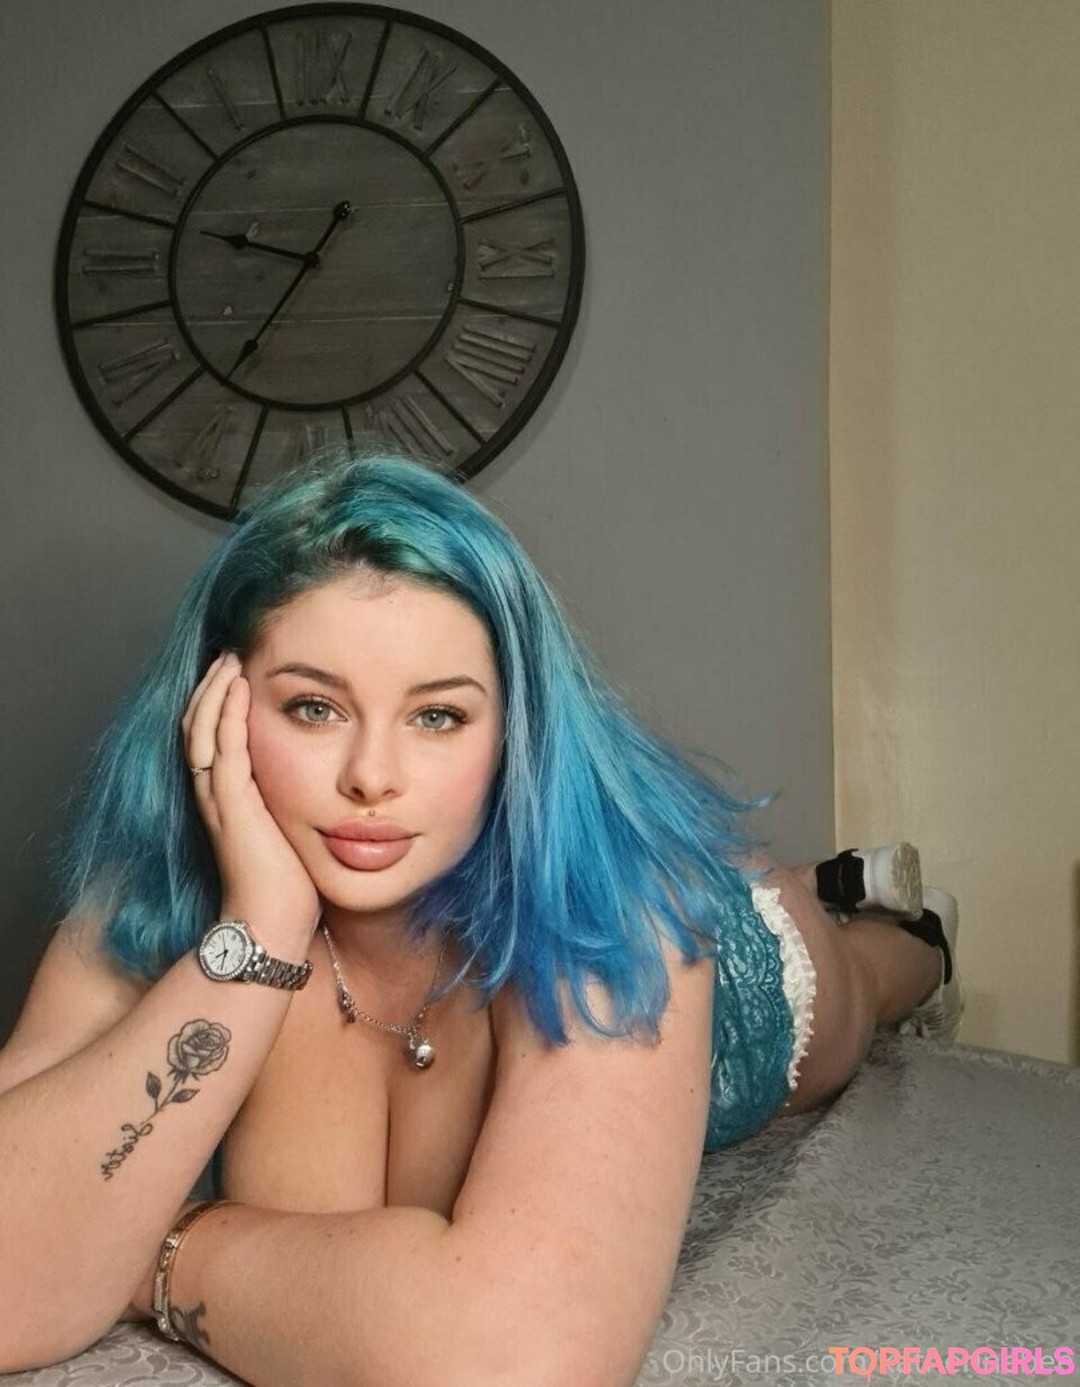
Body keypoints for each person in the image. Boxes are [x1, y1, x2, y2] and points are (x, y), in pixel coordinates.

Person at [0, 454, 960, 1384]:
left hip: (729, 966)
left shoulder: (627, 917)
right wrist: (257, 932)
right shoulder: (153, 893)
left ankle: (899, 924)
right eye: (314, 707)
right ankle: (840, 882)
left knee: (858, 976)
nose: (371, 777)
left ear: (513, 729)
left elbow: (511, 1361)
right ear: (219, 700)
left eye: (438, 717)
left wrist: (144, 1248)